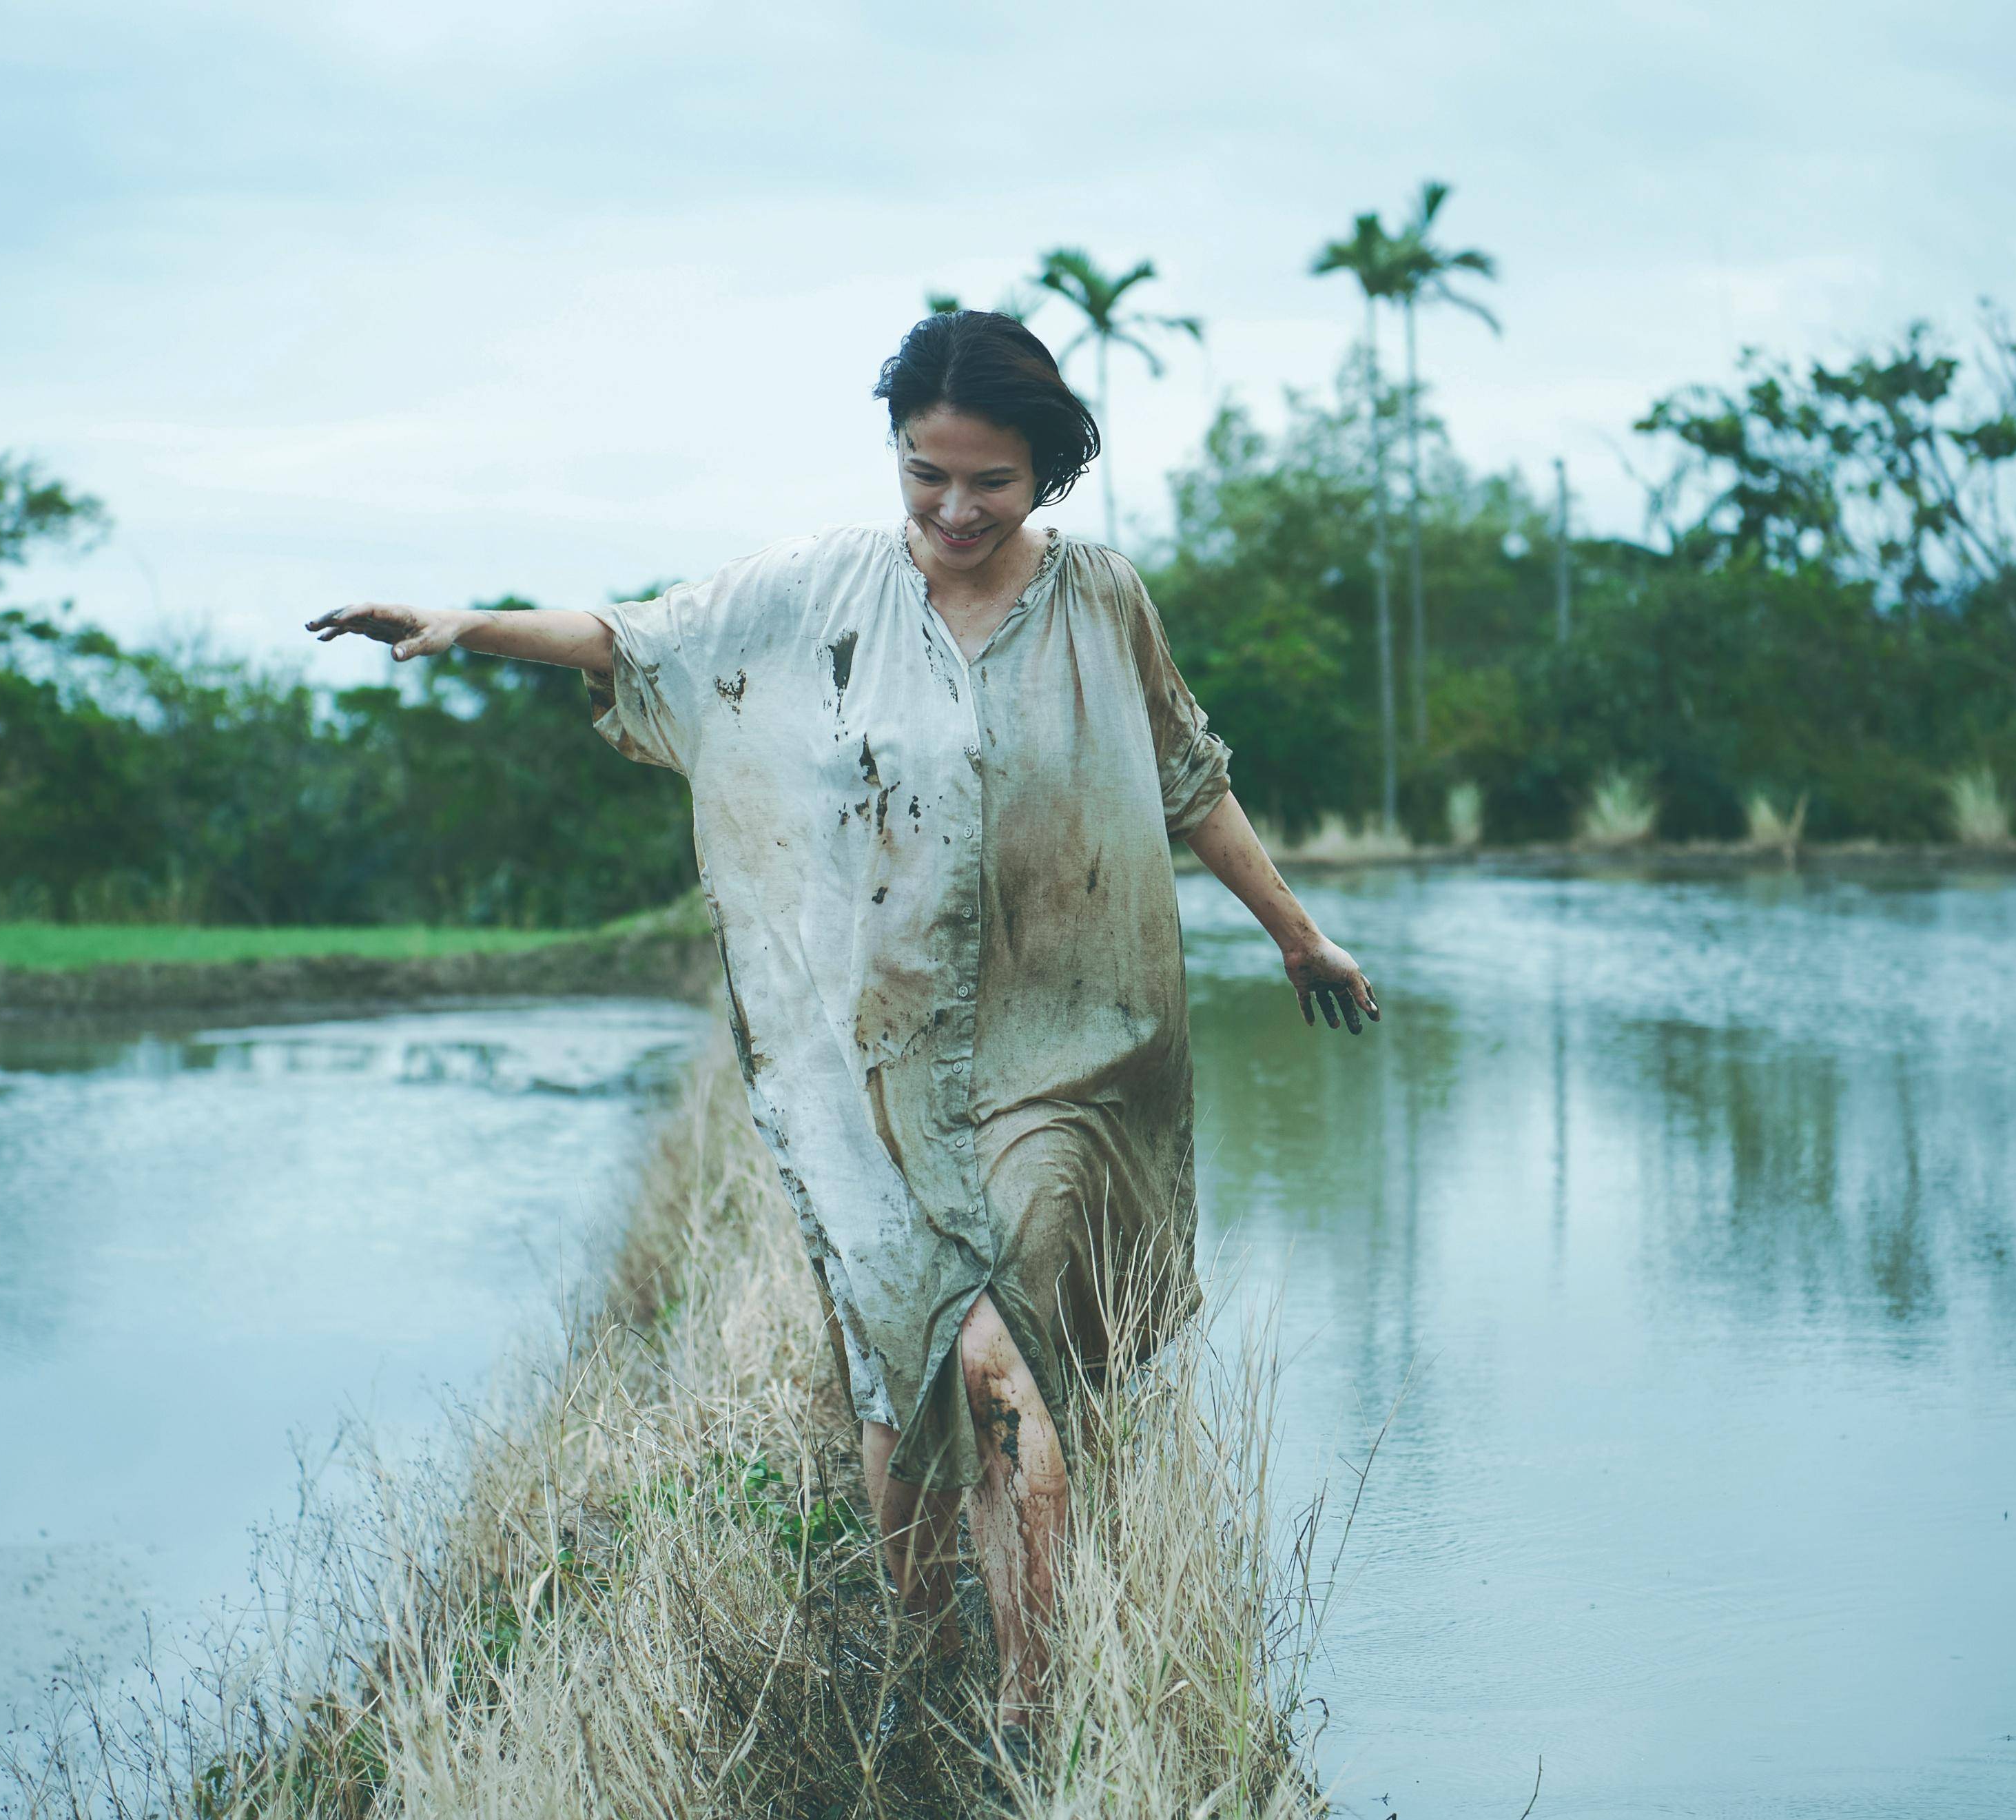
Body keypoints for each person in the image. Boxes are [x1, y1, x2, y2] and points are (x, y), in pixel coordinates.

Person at [305, 309, 1381, 1766]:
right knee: (899, 1375)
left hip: (1070, 1049)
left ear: (1044, 472)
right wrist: (463, 626)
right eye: (922, 472)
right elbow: (644, 636)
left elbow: (1188, 779)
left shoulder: (1101, 603)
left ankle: (1022, 1704)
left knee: (999, 1360)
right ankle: (915, 1644)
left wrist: (1294, 931)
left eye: (985, 481)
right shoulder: (821, 593)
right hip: (879, 1060)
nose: (949, 509)